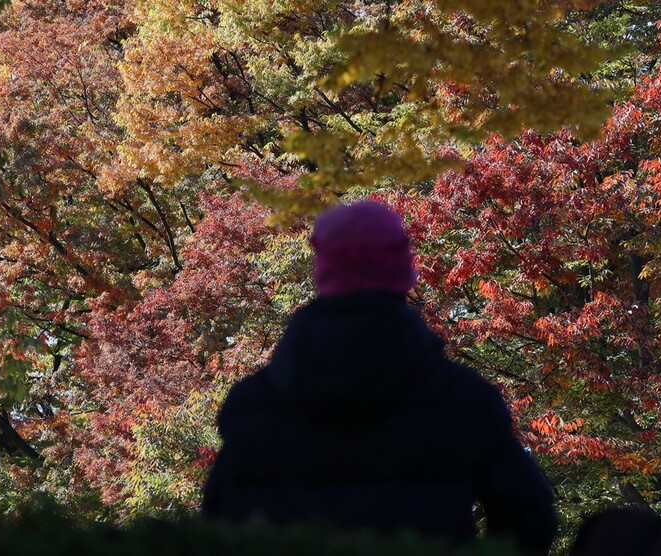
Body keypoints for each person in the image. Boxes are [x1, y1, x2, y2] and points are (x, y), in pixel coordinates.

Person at [201, 201, 558, 554]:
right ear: (404, 268)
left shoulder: (255, 403)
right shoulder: (463, 398)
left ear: (321, 267)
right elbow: (529, 517)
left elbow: (216, 527)